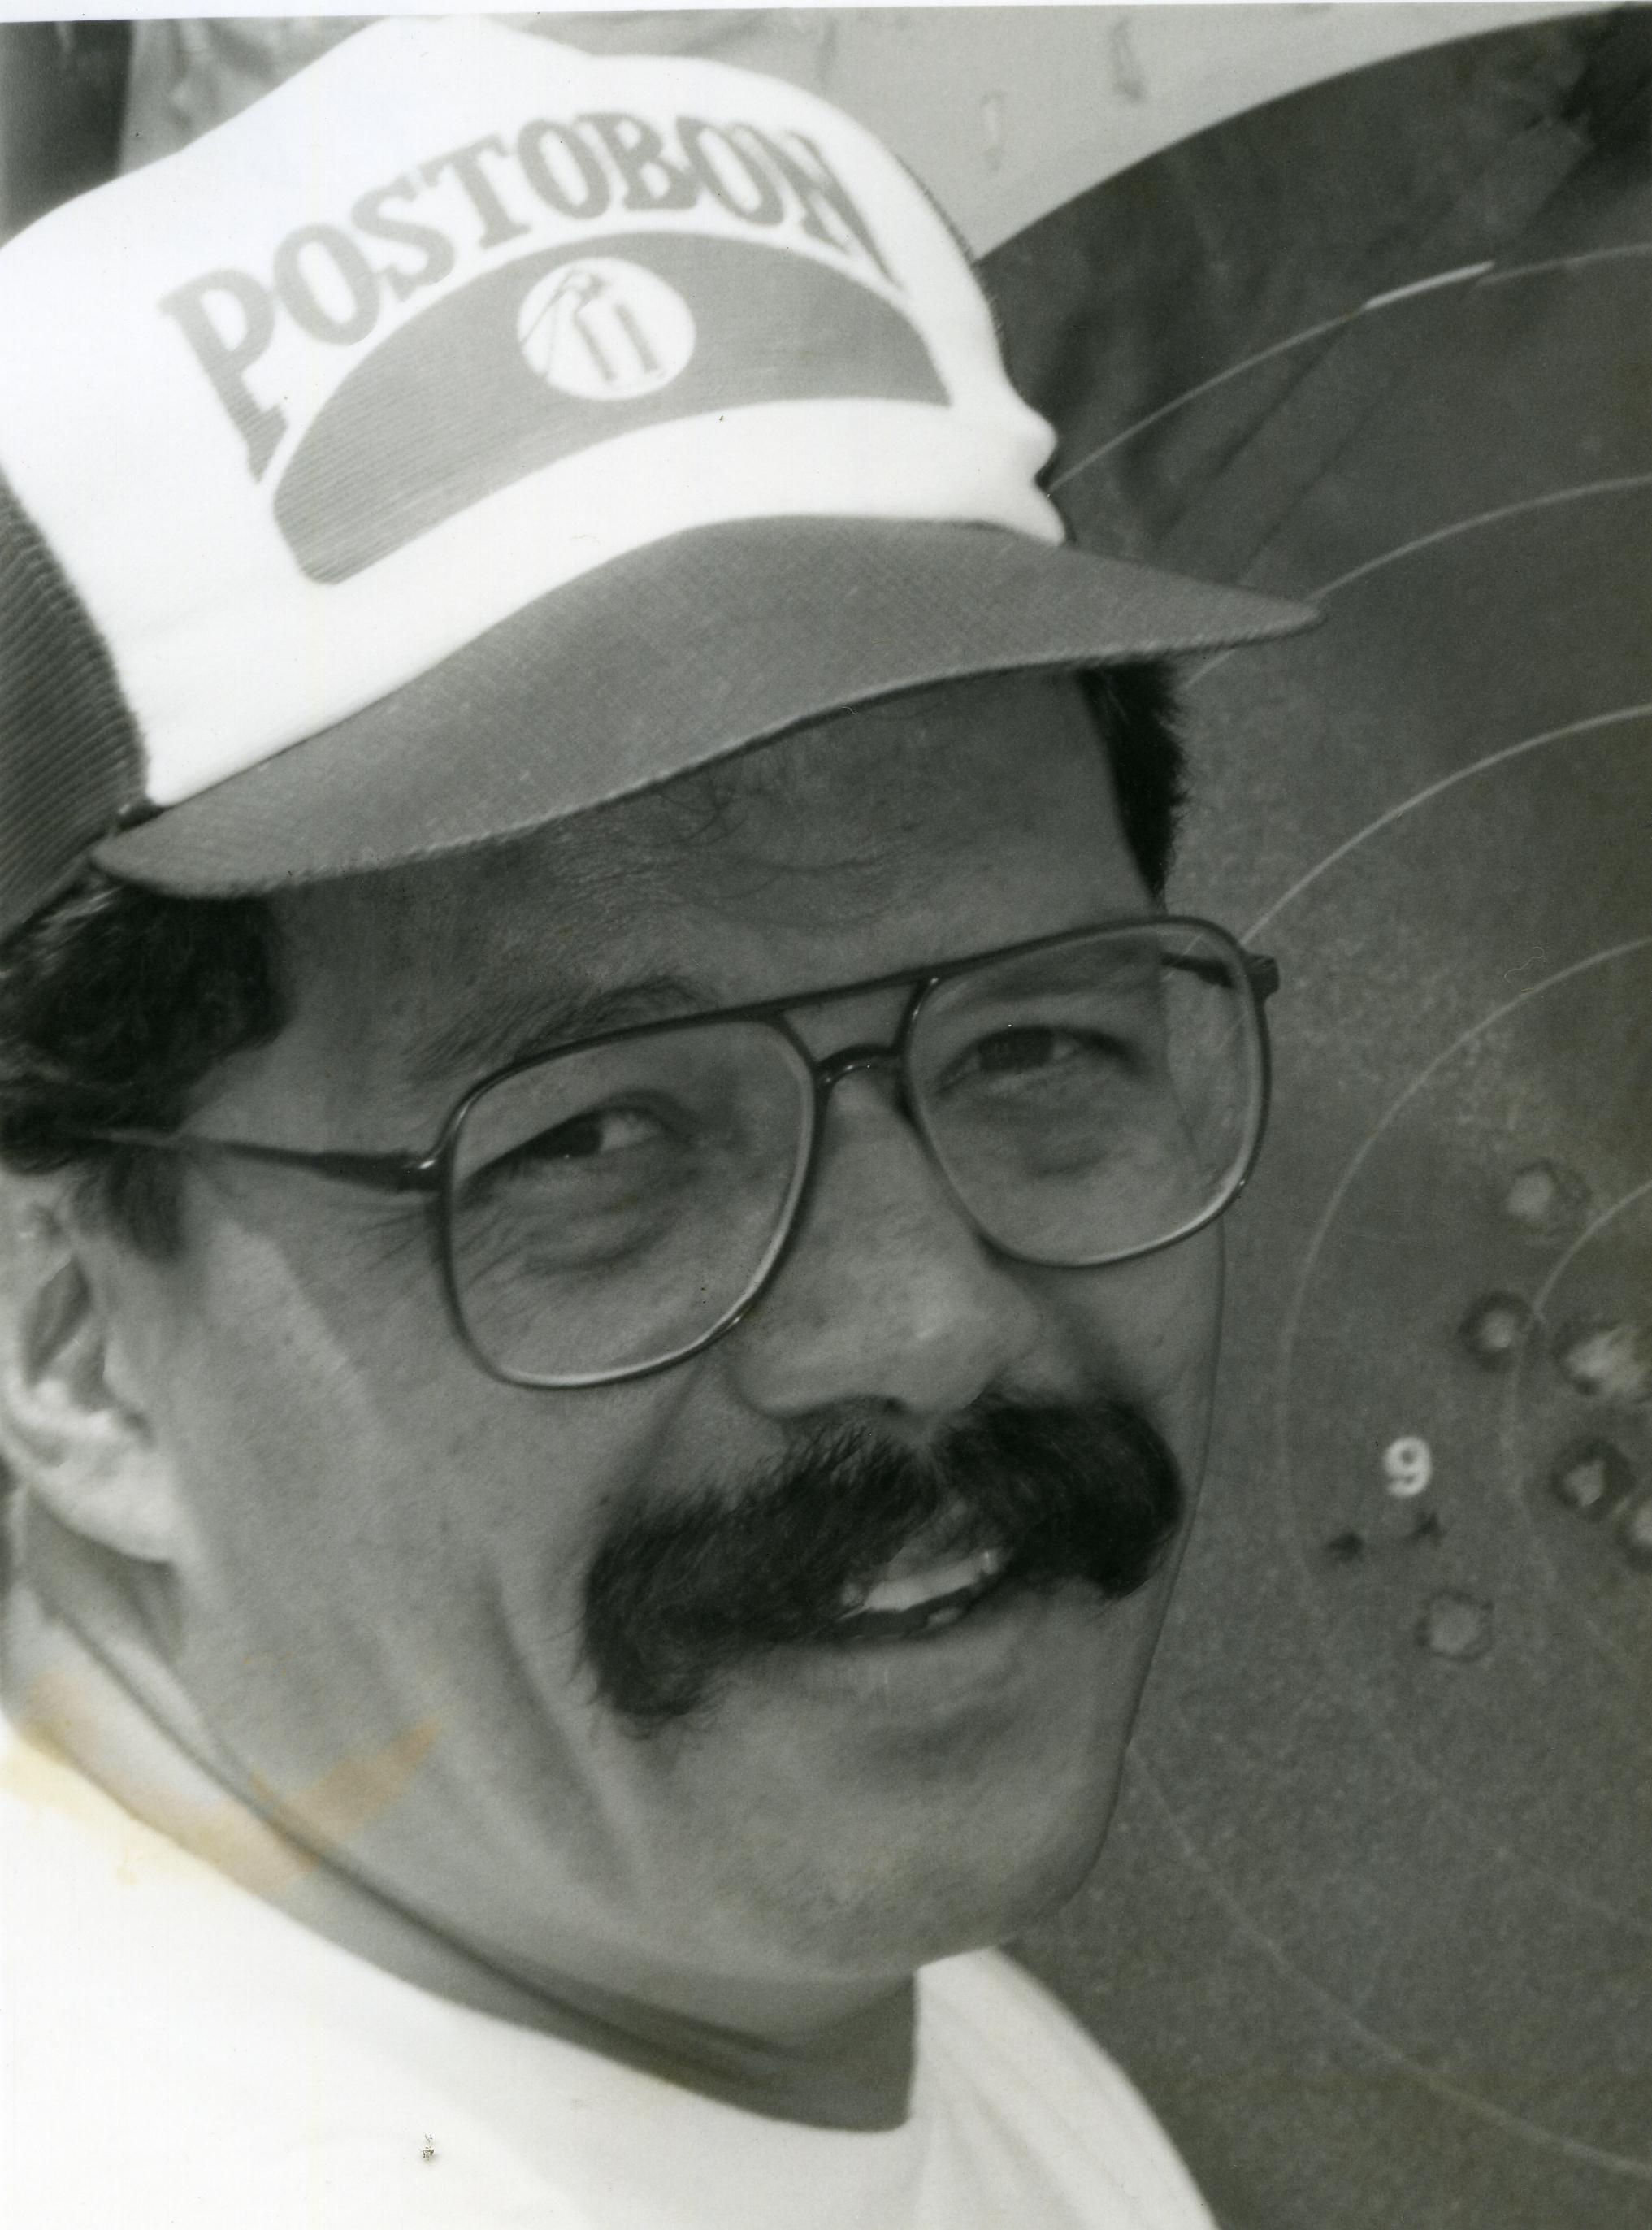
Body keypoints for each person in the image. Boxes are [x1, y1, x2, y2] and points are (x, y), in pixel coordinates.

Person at [0, 20, 1312, 2227]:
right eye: (593, 1145)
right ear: (64, 1339)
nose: (926, 1320)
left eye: (1033, 1047)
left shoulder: (729, 2000)